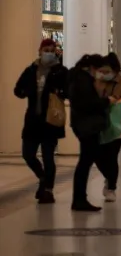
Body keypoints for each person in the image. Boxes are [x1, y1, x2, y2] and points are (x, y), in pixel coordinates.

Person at [13, 39, 68, 204]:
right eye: (46, 49)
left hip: (50, 121)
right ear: (40, 50)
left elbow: (68, 91)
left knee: (48, 157)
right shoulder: (31, 70)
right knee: (28, 154)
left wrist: (59, 91)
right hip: (32, 120)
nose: (49, 52)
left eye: (52, 50)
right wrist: (26, 91)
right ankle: (43, 178)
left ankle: (48, 190)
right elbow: (18, 89)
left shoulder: (61, 71)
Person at [69, 54, 115, 212]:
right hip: (87, 126)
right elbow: (87, 104)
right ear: (92, 68)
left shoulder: (80, 78)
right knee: (85, 162)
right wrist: (106, 101)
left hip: (85, 125)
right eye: (100, 69)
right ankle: (79, 199)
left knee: (86, 161)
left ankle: (80, 198)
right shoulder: (82, 80)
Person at [95, 53, 121, 203]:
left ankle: (111, 187)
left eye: (107, 71)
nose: (104, 74)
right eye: (102, 71)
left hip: (118, 125)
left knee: (111, 156)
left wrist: (115, 101)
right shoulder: (98, 81)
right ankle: (109, 177)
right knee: (97, 155)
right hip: (99, 124)